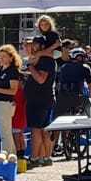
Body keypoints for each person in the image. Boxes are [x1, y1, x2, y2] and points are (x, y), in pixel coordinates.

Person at [22, 33, 58, 166]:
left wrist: (30, 67)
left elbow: (41, 79)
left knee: (37, 130)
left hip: (41, 101)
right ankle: (44, 158)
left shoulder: (45, 61)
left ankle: (35, 158)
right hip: (39, 100)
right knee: (43, 130)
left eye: (35, 44)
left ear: (42, 46)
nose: (32, 47)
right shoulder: (40, 59)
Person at [0, 44, 24, 161]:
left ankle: (8, 156)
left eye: (4, 56)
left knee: (5, 133)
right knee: (4, 132)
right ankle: (10, 156)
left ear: (11, 57)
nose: (2, 58)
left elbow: (13, 91)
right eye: (1, 56)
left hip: (5, 103)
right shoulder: (0, 69)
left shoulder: (13, 71)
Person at [56, 46, 91, 116]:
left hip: (62, 98)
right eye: (82, 56)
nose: (84, 58)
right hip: (77, 97)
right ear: (77, 56)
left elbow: (58, 83)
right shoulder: (85, 67)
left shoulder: (63, 67)